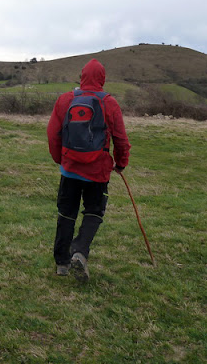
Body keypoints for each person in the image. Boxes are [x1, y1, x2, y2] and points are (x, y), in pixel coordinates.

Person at [46, 58, 131, 282]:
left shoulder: (65, 100)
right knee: (93, 212)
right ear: (102, 78)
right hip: (98, 172)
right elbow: (121, 139)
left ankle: (62, 263)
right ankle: (80, 251)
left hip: (70, 168)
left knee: (66, 213)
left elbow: (53, 133)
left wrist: (60, 160)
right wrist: (121, 163)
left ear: (82, 76)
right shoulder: (109, 103)